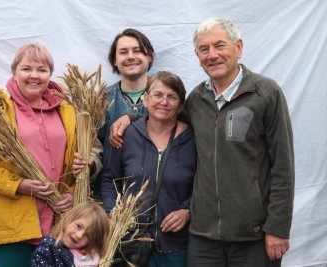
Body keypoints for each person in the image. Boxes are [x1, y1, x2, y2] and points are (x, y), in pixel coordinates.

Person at [109, 18, 295, 267]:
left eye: (220, 45)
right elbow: (164, 115)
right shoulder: (197, 99)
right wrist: (130, 117)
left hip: (252, 234)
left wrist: (278, 228)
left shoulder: (265, 94)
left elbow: (283, 166)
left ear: (238, 47)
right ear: (197, 56)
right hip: (202, 237)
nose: (212, 55)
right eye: (204, 49)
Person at [0, 43, 101, 267]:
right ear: (15, 71)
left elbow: (90, 151)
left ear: (50, 74)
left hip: (61, 223)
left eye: (42, 69)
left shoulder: (69, 110)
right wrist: (19, 185)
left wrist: (75, 190)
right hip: (12, 222)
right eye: (26, 69)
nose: (34, 75)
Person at [101, 71, 197, 267]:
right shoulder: (126, 134)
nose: (164, 102)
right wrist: (112, 214)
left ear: (180, 106)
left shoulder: (194, 139)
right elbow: (110, 178)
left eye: (172, 97)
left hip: (175, 247)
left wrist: (188, 210)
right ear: (145, 99)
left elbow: (205, 183)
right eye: (158, 95)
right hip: (128, 244)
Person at [89, 28, 155, 199]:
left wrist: (132, 118)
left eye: (137, 50)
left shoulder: (165, 94)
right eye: (123, 52)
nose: (130, 56)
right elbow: (93, 148)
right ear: (114, 61)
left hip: (157, 196)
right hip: (110, 196)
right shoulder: (101, 100)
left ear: (149, 56)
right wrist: (90, 164)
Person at [31, 201, 109, 267]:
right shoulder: (48, 248)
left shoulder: (88, 258)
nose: (79, 235)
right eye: (78, 226)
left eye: (88, 236)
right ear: (68, 218)